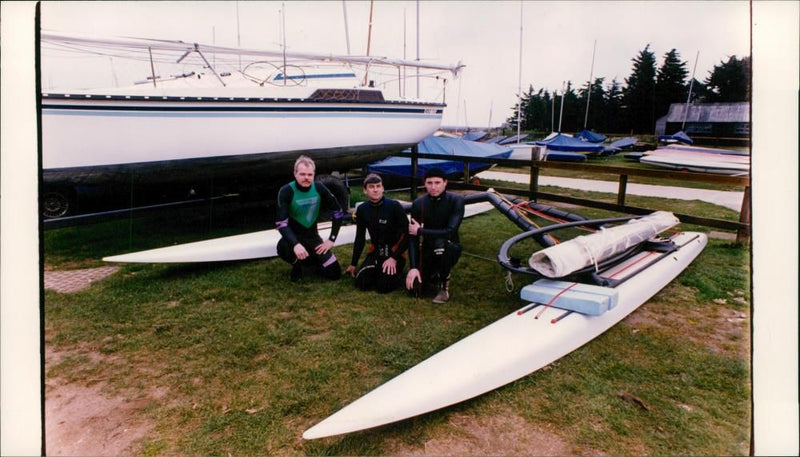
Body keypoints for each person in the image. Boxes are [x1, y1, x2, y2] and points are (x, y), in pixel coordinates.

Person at [276, 155, 345, 282]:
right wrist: (296, 244)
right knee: (282, 246)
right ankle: (297, 263)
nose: (306, 178)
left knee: (335, 273)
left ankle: (309, 263)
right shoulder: (286, 191)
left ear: (313, 174)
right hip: (293, 238)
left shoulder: (319, 188)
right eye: (302, 174)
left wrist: (331, 240)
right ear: (295, 174)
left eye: (310, 174)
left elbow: (338, 212)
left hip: (313, 237)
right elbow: (282, 223)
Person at [405, 167, 465, 303]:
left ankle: (444, 286)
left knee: (440, 244)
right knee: (415, 290)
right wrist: (413, 267)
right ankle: (432, 275)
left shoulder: (456, 201)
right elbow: (412, 237)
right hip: (427, 249)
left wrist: (421, 231)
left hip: (449, 246)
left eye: (437, 183)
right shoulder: (419, 203)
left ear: (445, 182)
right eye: (429, 183)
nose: (433, 187)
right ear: (424, 183)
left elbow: (450, 231)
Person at [345, 173, 409, 293]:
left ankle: (395, 272)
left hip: (394, 253)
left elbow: (408, 234)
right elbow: (360, 237)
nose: (375, 190)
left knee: (383, 287)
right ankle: (377, 268)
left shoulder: (394, 206)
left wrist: (394, 258)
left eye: (378, 186)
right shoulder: (362, 209)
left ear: (383, 188)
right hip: (375, 251)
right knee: (362, 283)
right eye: (371, 187)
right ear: (365, 190)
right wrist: (353, 263)